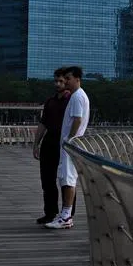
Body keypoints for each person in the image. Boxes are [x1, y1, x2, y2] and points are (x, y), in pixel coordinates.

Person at [45, 66, 90, 230]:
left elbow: (77, 120)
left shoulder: (77, 97)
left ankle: (66, 216)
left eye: (69, 78)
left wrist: (69, 139)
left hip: (71, 145)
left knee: (68, 179)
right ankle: (65, 214)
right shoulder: (77, 96)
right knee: (65, 178)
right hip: (70, 144)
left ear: (77, 79)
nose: (67, 81)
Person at [33, 69, 71, 224]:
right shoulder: (50, 101)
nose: (58, 84)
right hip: (49, 142)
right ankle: (50, 212)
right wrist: (36, 144)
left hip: (64, 143)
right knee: (47, 180)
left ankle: (66, 213)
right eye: (56, 81)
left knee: (65, 179)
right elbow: (43, 124)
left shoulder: (72, 100)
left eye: (61, 81)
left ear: (67, 81)